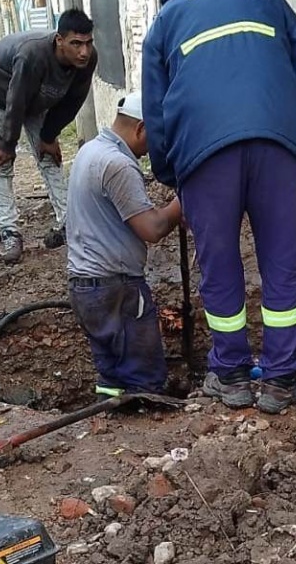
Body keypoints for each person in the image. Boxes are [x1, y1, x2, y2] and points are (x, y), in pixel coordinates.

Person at [142, 0, 296, 414]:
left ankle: (230, 376)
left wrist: (173, 174)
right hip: (279, 143)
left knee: (221, 266)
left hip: (204, 153)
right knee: (282, 263)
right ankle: (281, 379)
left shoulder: (166, 22)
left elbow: (156, 112)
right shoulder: (271, 4)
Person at [66, 92, 182, 397]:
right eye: (154, 138)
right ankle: (148, 428)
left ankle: (111, 427)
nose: (153, 150)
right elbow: (152, 228)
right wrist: (183, 203)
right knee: (145, 377)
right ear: (141, 128)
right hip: (117, 287)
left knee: (111, 373)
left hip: (85, 287)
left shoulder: (89, 151)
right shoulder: (118, 164)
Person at [0, 10, 97, 263]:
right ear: (59, 40)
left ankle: (69, 222)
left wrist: (49, 135)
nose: (83, 51)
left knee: (49, 154)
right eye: (76, 43)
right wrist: (8, 143)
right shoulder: (33, 54)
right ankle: (10, 233)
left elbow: (74, 100)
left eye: (87, 43)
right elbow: (15, 99)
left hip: (35, 96)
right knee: (1, 161)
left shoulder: (87, 60)